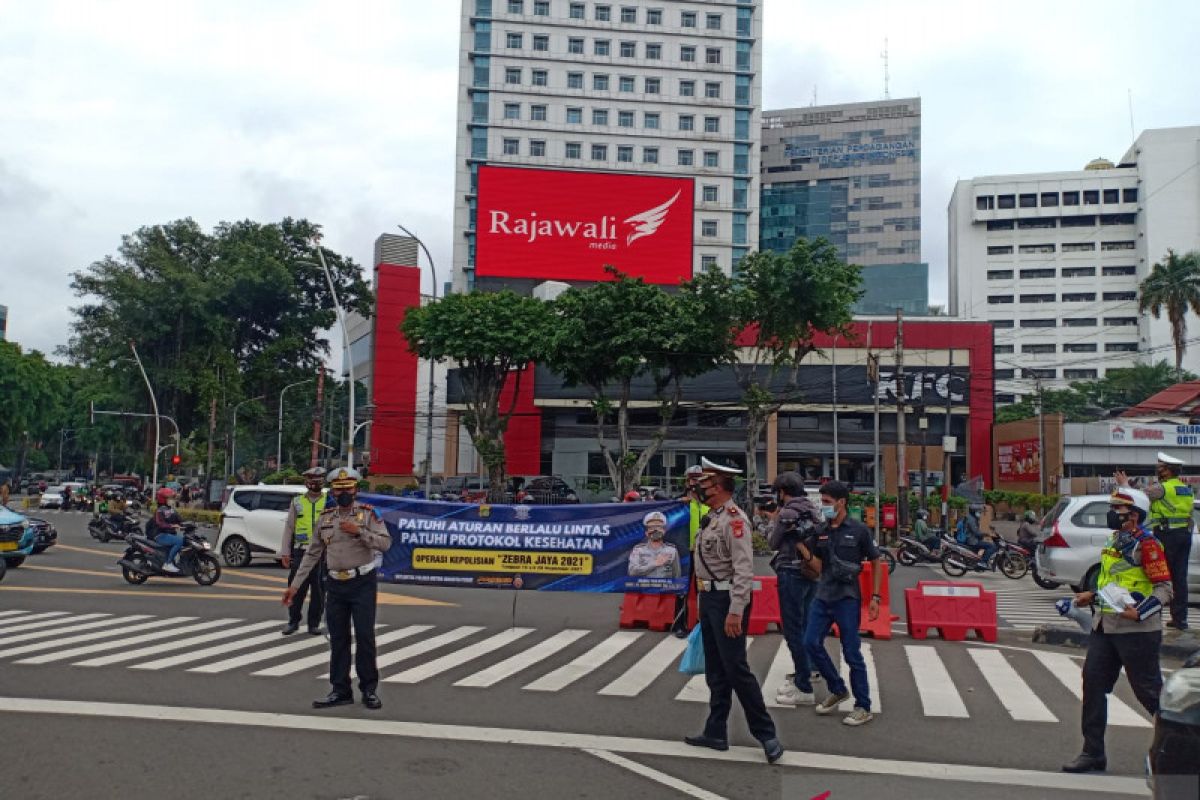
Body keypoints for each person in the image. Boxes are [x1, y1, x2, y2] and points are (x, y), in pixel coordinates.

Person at [1062, 487, 1172, 774]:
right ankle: (1092, 753)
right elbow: (1114, 584)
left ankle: (1179, 750)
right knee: (1094, 685)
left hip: (1137, 630)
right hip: (1104, 625)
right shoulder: (1115, 540)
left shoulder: (1147, 545)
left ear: (1134, 515)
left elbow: (1165, 589)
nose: (1112, 514)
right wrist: (1091, 595)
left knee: (1149, 693)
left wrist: (1141, 611)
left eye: (1118, 510)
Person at [684, 457, 783, 763]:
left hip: (729, 600)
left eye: (705, 483)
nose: (699, 488)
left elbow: (743, 569)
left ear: (719, 487)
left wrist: (736, 611)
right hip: (709, 598)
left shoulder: (734, 520)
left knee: (736, 668)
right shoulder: (712, 516)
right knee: (716, 669)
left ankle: (766, 734)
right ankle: (716, 731)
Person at [283, 467, 392, 710]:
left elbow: (385, 543)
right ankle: (340, 690)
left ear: (356, 490)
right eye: (338, 489)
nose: (343, 493)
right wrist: (294, 586)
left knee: (365, 637)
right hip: (334, 584)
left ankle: (369, 690)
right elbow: (312, 554)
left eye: (348, 489)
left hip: (362, 582)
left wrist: (360, 532)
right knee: (338, 638)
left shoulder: (368, 515)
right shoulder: (326, 517)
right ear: (332, 491)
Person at [803, 480, 885, 727]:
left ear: (841, 502)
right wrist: (800, 547)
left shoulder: (859, 530)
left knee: (852, 653)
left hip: (847, 599)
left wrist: (875, 598)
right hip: (823, 596)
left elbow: (877, 562)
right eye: (822, 502)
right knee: (810, 643)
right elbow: (817, 568)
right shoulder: (820, 531)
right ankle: (838, 688)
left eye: (827, 502)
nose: (823, 506)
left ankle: (863, 706)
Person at [765, 471, 821, 707]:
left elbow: (772, 542)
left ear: (782, 491)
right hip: (811, 571)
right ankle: (810, 669)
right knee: (807, 624)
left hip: (791, 571)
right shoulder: (813, 508)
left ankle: (803, 685)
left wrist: (772, 520)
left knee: (792, 629)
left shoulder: (787, 512)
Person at [1117, 454, 1191, 630]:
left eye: (1160, 467)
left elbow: (1137, 498)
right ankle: (1180, 619)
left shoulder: (1162, 489)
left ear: (1167, 470)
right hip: (1184, 535)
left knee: (1159, 576)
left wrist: (1124, 485)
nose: (1157, 469)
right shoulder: (1185, 488)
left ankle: (1153, 613)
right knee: (1180, 578)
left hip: (1167, 536)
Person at [280, 467, 328, 636]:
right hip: (301, 551)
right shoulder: (297, 502)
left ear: (323, 482)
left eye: (318, 480)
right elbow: (289, 528)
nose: (314, 483)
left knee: (319, 590)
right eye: (311, 480)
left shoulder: (329, 501)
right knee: (296, 588)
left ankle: (313, 623)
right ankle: (293, 621)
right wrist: (285, 552)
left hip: (323, 553)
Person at [672, 464, 709, 638]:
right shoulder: (680, 503)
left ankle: (703, 625)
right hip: (685, 552)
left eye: (700, 479)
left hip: (706, 554)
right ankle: (680, 625)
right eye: (693, 479)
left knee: (705, 590)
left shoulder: (710, 502)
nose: (696, 483)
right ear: (687, 482)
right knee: (682, 590)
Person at [627, 511, 681, 579]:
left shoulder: (672, 551)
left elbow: (677, 577)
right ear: (646, 533)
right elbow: (632, 572)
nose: (656, 530)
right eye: (652, 527)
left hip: (665, 589)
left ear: (664, 531)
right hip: (643, 588)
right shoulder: (638, 550)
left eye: (659, 527)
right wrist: (654, 564)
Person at [152, 487, 184, 573]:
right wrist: (172, 526)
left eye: (172, 498)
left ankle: (173, 561)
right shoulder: (159, 510)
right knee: (179, 541)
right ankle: (168, 563)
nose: (172, 500)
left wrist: (188, 524)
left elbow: (179, 519)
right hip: (160, 535)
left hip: (168, 534)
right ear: (163, 499)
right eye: (170, 498)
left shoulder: (171, 509)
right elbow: (160, 523)